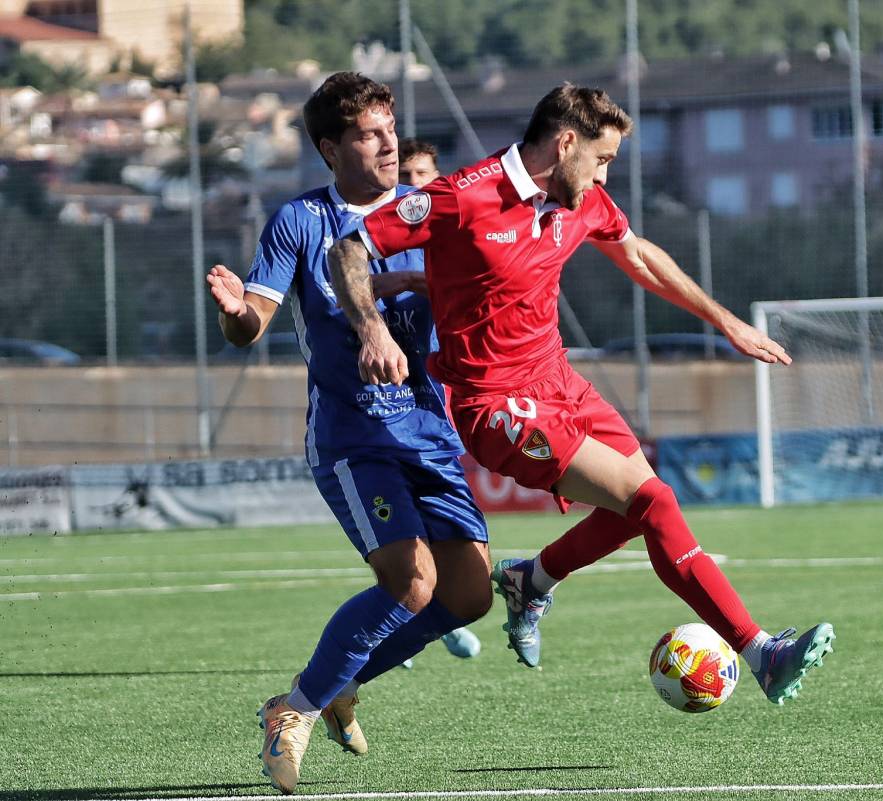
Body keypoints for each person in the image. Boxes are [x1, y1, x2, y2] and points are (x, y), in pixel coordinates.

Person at [327, 84, 835, 707]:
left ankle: (530, 579)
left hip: (561, 384)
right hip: (496, 405)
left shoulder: (583, 199)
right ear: (566, 143)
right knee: (654, 503)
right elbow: (350, 248)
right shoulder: (463, 197)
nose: (604, 175)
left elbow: (638, 256)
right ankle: (761, 653)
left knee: (636, 510)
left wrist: (726, 322)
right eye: (602, 159)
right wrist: (372, 329)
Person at [208, 72, 492, 795]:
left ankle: (336, 683)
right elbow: (253, 323)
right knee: (412, 581)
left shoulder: (428, 212)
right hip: (353, 435)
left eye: (390, 129)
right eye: (369, 134)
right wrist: (236, 313)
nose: (389, 145)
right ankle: (294, 709)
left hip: (428, 429)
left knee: (469, 595)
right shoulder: (301, 221)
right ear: (331, 149)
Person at [390, 134, 483, 665]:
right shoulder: (379, 237)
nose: (413, 186)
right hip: (383, 400)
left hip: (435, 398)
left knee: (442, 527)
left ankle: (428, 617)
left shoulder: (449, 236)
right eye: (404, 176)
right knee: (399, 527)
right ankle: (405, 615)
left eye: (422, 176)